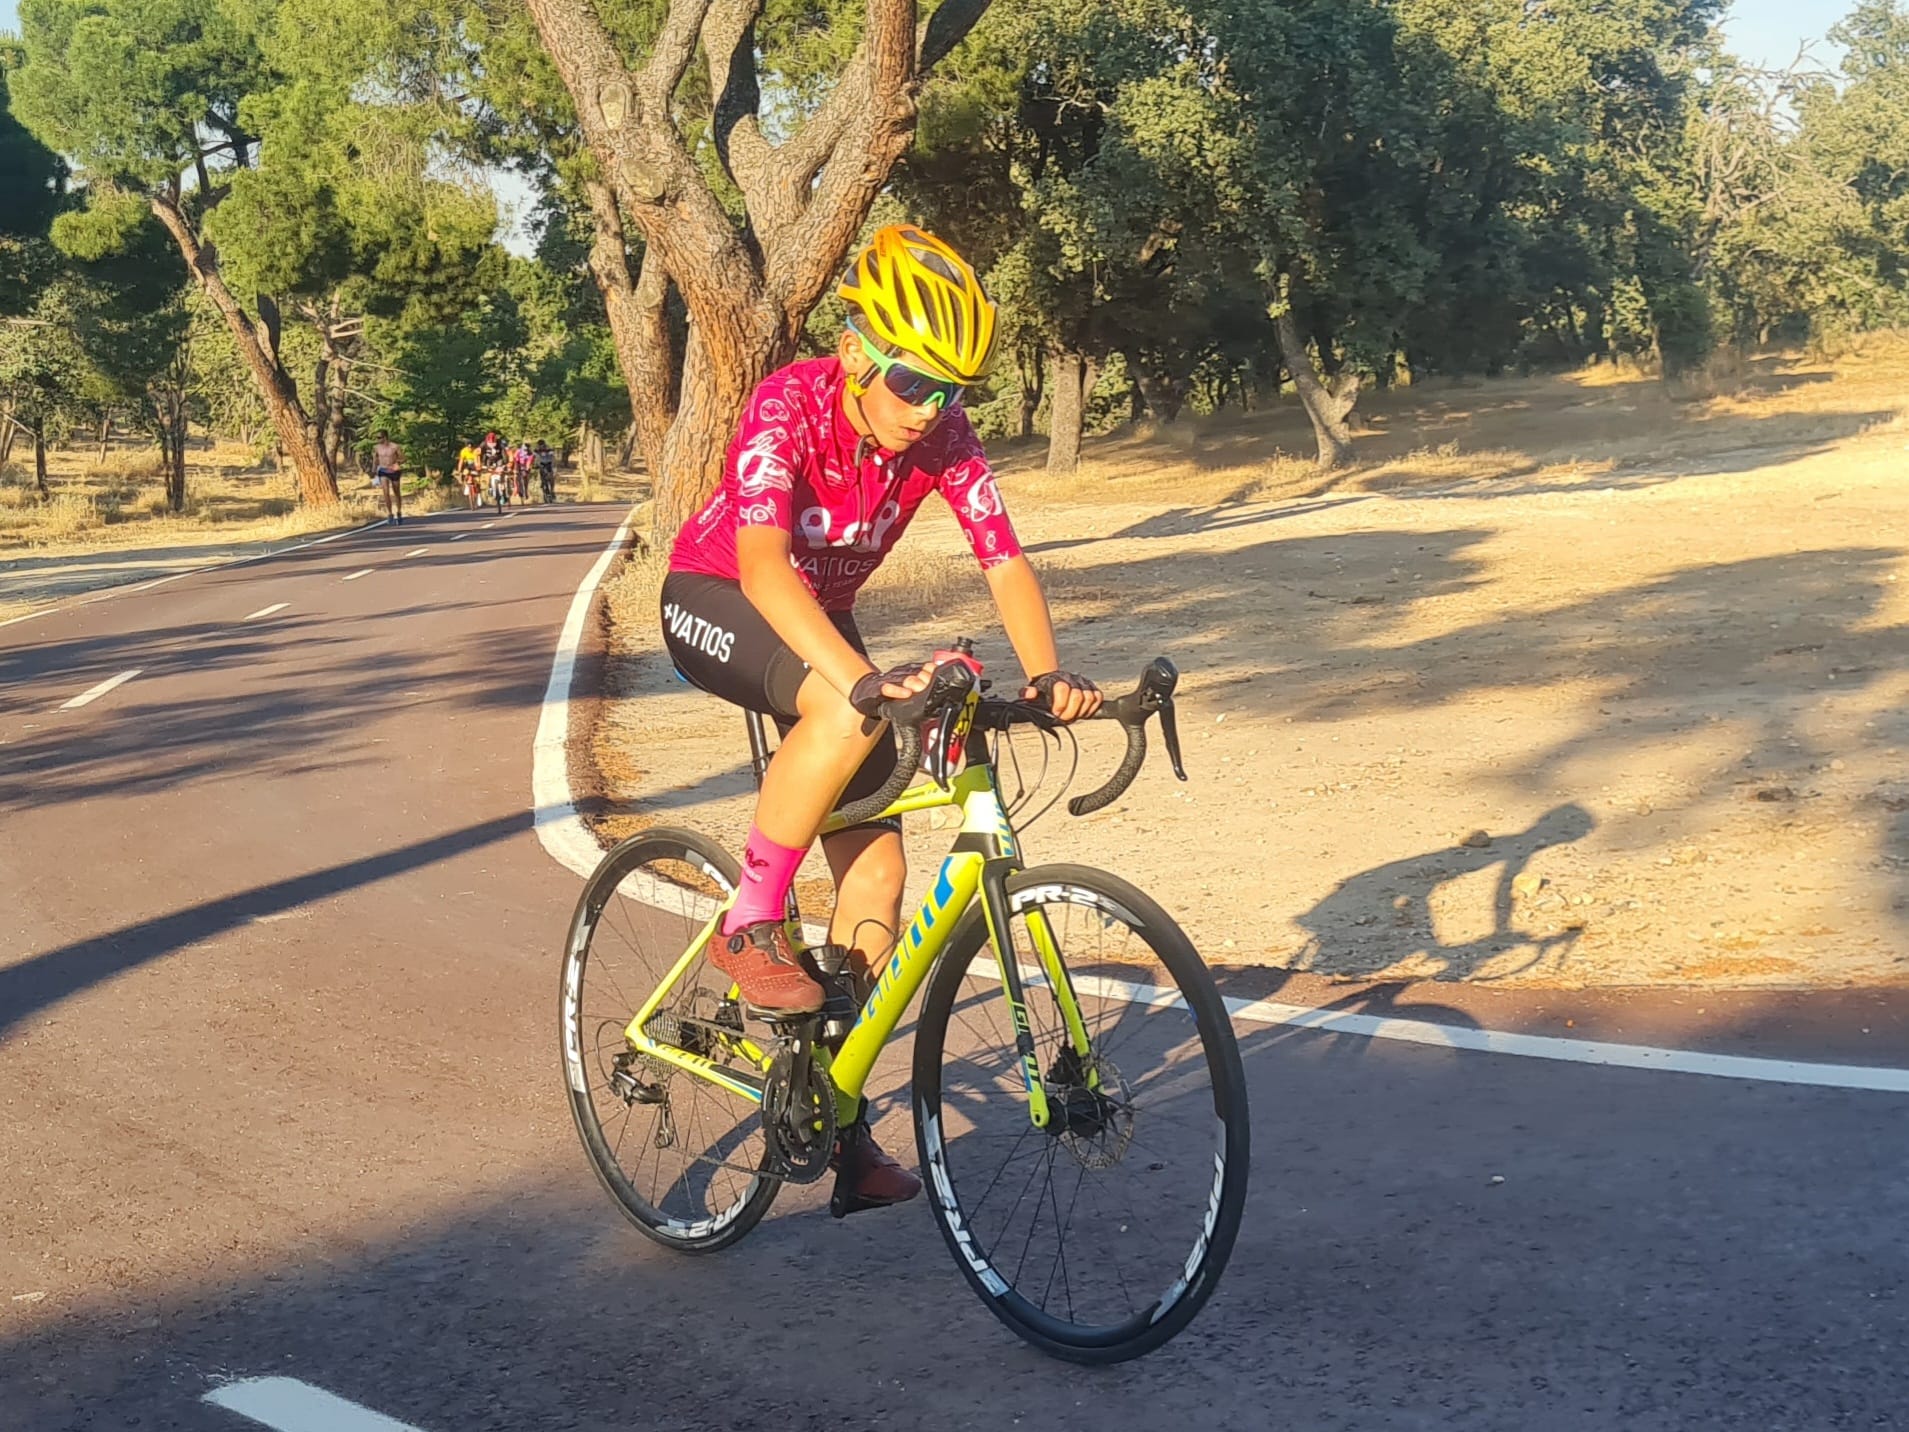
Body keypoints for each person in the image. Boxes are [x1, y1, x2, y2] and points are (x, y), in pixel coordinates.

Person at [661, 224, 1102, 1212]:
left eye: (950, 390)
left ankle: (835, 1110)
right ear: (859, 353)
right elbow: (766, 565)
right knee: (850, 706)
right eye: (912, 382)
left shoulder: (941, 436)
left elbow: (1001, 557)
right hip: (721, 590)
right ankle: (748, 924)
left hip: (821, 621)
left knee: (881, 879)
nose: (929, 409)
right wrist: (857, 679)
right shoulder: (792, 403)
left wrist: (1046, 674)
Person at [371, 430, 405, 525]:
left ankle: (399, 512)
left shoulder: (394, 447)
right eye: (377, 438)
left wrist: (397, 463)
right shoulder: (376, 448)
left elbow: (403, 458)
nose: (377, 440)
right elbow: (375, 459)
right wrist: (373, 471)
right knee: (385, 492)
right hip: (383, 470)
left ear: (385, 437)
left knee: (396, 492)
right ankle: (390, 514)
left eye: (379, 438)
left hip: (394, 471)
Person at [454, 440, 482, 509]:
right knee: (465, 473)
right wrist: (459, 470)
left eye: (471, 447)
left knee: (477, 479)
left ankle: (478, 495)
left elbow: (478, 460)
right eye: (468, 447)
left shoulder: (476, 451)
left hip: (475, 465)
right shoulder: (463, 451)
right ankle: (466, 484)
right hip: (467, 465)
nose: (470, 449)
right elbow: (461, 461)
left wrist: (478, 468)